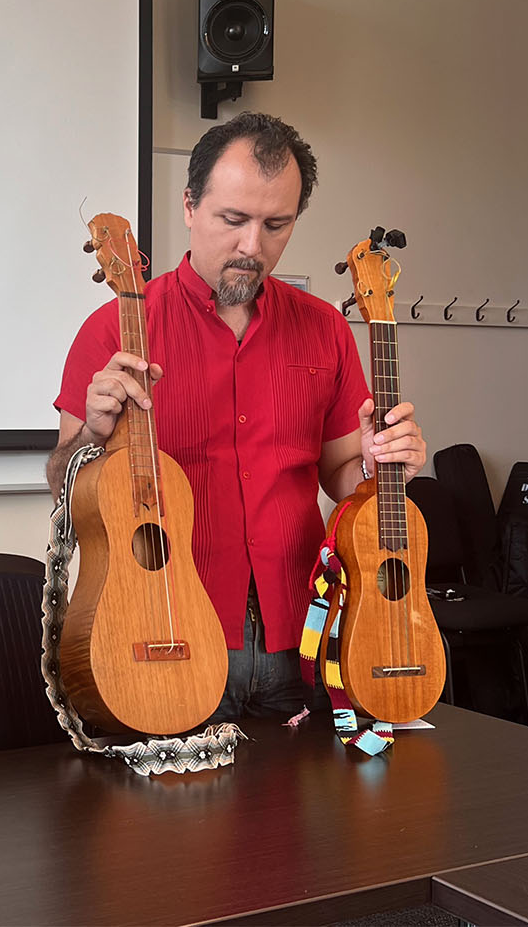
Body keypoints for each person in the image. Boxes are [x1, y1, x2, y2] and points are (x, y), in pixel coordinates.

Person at [48, 112, 426, 723]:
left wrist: (383, 463)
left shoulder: (325, 328)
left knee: (309, 814)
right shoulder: (115, 328)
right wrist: (92, 433)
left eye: (277, 224)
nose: (254, 246)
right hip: (164, 629)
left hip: (303, 632)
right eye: (234, 220)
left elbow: (342, 476)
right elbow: (62, 483)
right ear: (190, 206)